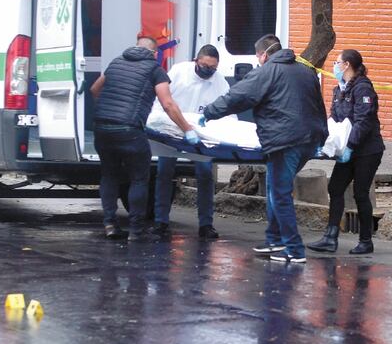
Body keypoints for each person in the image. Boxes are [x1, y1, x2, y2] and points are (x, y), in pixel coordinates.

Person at [201, 34, 328, 263]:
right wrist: (322, 137)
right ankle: (274, 239)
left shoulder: (266, 72)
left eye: (258, 56)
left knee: (279, 194)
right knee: (274, 187)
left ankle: (294, 249)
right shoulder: (306, 71)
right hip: (308, 139)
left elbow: (237, 96)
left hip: (284, 140)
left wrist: (209, 113)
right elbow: (319, 105)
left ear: (263, 55)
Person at [90, 36, 200, 241]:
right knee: (139, 178)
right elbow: (168, 104)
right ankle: (136, 230)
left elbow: (95, 89)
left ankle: (110, 224)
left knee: (109, 175)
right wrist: (187, 129)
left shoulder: (115, 62)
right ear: (154, 53)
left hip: (102, 127)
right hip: (130, 130)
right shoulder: (155, 69)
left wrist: (108, 110)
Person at [308, 49, 385, 255]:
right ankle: (330, 237)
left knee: (360, 193)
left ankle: (366, 241)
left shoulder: (363, 88)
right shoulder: (339, 90)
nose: (335, 66)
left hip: (367, 150)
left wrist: (350, 146)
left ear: (347, 65)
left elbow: (364, 121)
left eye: (337, 62)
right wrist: (325, 142)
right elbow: (335, 119)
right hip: (347, 149)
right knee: (335, 188)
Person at [150, 45, 230, 240]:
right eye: (204, 66)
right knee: (164, 172)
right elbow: (162, 101)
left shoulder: (219, 81)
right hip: (172, 127)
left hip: (201, 133)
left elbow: (228, 110)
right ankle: (161, 221)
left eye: (212, 68)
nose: (208, 71)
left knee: (205, 174)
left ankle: (206, 224)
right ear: (196, 61)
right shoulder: (179, 72)